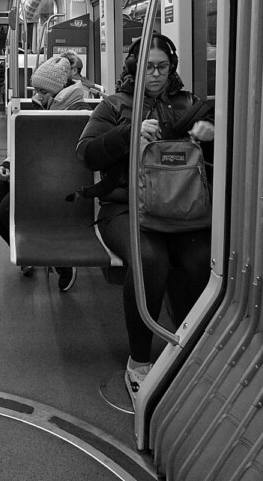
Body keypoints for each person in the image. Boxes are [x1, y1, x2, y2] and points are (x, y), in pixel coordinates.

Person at [75, 34, 215, 405]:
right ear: (134, 67)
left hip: (182, 208)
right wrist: (128, 133)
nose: (155, 75)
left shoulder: (190, 106)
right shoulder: (115, 106)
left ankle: (186, 343)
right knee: (150, 259)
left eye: (163, 67)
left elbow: (222, 154)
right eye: (148, 67)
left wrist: (211, 137)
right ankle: (139, 359)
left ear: (172, 69)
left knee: (201, 259)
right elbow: (87, 154)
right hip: (124, 207)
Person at [0, 55, 78, 291]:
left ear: (59, 89)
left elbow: (63, 156)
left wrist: (25, 172)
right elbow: (24, 144)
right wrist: (9, 164)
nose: (37, 95)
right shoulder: (42, 106)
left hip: (54, 176)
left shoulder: (75, 110)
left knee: (6, 209)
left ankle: (60, 260)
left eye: (43, 91)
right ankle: (28, 252)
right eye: (36, 90)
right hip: (29, 170)